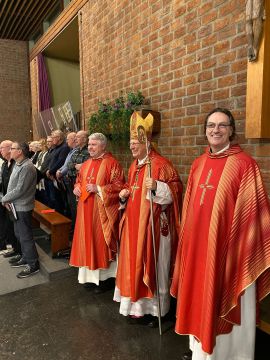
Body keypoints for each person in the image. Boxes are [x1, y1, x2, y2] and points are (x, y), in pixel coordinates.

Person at [170, 108, 270, 360]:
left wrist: (234, 248)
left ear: (231, 130)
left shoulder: (244, 164)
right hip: (198, 250)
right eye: (211, 125)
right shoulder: (198, 163)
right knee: (200, 295)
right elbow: (190, 208)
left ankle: (231, 355)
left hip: (230, 254)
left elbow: (253, 214)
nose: (216, 130)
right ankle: (200, 350)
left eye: (222, 125)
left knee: (223, 297)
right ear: (205, 131)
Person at [114, 112, 182, 327]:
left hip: (153, 226)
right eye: (131, 143)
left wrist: (159, 187)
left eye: (135, 143)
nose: (132, 147)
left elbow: (176, 190)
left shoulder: (160, 164)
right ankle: (137, 307)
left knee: (155, 266)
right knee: (133, 265)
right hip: (134, 225)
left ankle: (157, 310)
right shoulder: (135, 165)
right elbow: (132, 188)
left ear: (147, 142)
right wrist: (124, 194)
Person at [69, 133, 125, 293]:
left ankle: (104, 279)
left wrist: (99, 189)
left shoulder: (112, 163)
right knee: (86, 241)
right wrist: (76, 188)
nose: (90, 148)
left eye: (93, 145)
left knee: (99, 243)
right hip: (85, 210)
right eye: (89, 145)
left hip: (101, 213)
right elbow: (79, 180)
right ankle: (89, 278)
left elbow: (119, 185)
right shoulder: (86, 164)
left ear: (103, 146)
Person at [1, 142, 39, 278]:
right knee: (18, 234)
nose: (10, 150)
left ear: (20, 151)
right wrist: (7, 199)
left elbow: (20, 189)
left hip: (22, 207)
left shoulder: (27, 167)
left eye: (12, 148)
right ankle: (25, 257)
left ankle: (33, 264)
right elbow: (12, 185)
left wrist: (4, 199)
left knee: (25, 236)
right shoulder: (18, 164)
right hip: (14, 205)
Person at [0, 140, 20, 258]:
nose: (0, 150)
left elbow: (17, 185)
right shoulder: (4, 164)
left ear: (9, 148)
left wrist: (7, 198)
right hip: (7, 200)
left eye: (2, 148)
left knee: (17, 229)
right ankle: (15, 248)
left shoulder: (16, 164)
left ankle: (20, 251)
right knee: (9, 226)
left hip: (15, 200)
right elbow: (4, 184)